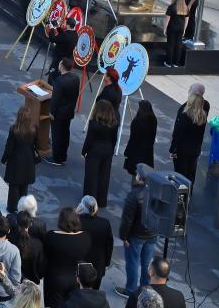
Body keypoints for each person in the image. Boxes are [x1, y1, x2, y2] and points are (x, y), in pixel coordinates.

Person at [115, 169, 157, 299]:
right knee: (146, 263)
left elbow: (127, 220)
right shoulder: (157, 191)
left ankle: (131, 290)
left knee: (133, 262)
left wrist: (124, 236)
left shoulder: (134, 195)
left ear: (139, 177)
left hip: (136, 235)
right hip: (152, 234)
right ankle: (146, 288)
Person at [42, 207, 91, 308]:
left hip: (54, 278)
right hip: (75, 277)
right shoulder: (85, 237)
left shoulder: (51, 237)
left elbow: (46, 255)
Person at [1, 104, 38, 212]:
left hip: (16, 161)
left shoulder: (14, 130)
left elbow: (9, 147)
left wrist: (4, 159)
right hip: (29, 161)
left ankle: (12, 207)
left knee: (14, 185)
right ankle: (22, 207)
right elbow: (36, 146)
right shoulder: (34, 129)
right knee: (24, 185)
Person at [80, 100, 117, 207]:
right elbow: (114, 139)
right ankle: (101, 201)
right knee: (104, 176)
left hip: (94, 151)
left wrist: (83, 152)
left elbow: (89, 139)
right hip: (107, 151)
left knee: (91, 177)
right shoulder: (114, 124)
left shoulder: (94, 124)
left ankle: (90, 201)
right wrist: (111, 149)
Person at [168, 84, 209, 183]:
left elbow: (178, 133)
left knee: (181, 175)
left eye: (190, 90)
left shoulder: (184, 112)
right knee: (191, 173)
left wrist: (173, 150)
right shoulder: (206, 107)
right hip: (195, 149)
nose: (188, 91)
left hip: (182, 151)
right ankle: (188, 193)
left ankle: (182, 196)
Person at [77, 196, 112, 291]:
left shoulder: (78, 222)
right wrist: (107, 262)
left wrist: (76, 214)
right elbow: (109, 246)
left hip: (81, 264)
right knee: (95, 289)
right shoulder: (105, 223)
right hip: (98, 265)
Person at [48, 59, 79, 166]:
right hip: (69, 111)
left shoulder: (59, 81)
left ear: (62, 66)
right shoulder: (76, 78)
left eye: (60, 63)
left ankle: (57, 158)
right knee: (65, 134)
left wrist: (51, 112)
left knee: (56, 135)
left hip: (59, 113)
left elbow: (55, 99)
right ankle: (63, 156)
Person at [122, 100, 157, 176]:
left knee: (136, 174)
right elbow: (153, 137)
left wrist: (127, 152)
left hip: (136, 153)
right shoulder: (153, 120)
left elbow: (133, 139)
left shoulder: (137, 121)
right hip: (148, 152)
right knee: (144, 174)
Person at [162, 0, 188, 68]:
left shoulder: (171, 7)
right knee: (178, 45)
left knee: (171, 45)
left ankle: (168, 62)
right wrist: (184, 30)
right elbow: (187, 20)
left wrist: (164, 28)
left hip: (172, 28)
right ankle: (176, 63)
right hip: (181, 28)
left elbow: (167, 19)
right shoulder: (185, 8)